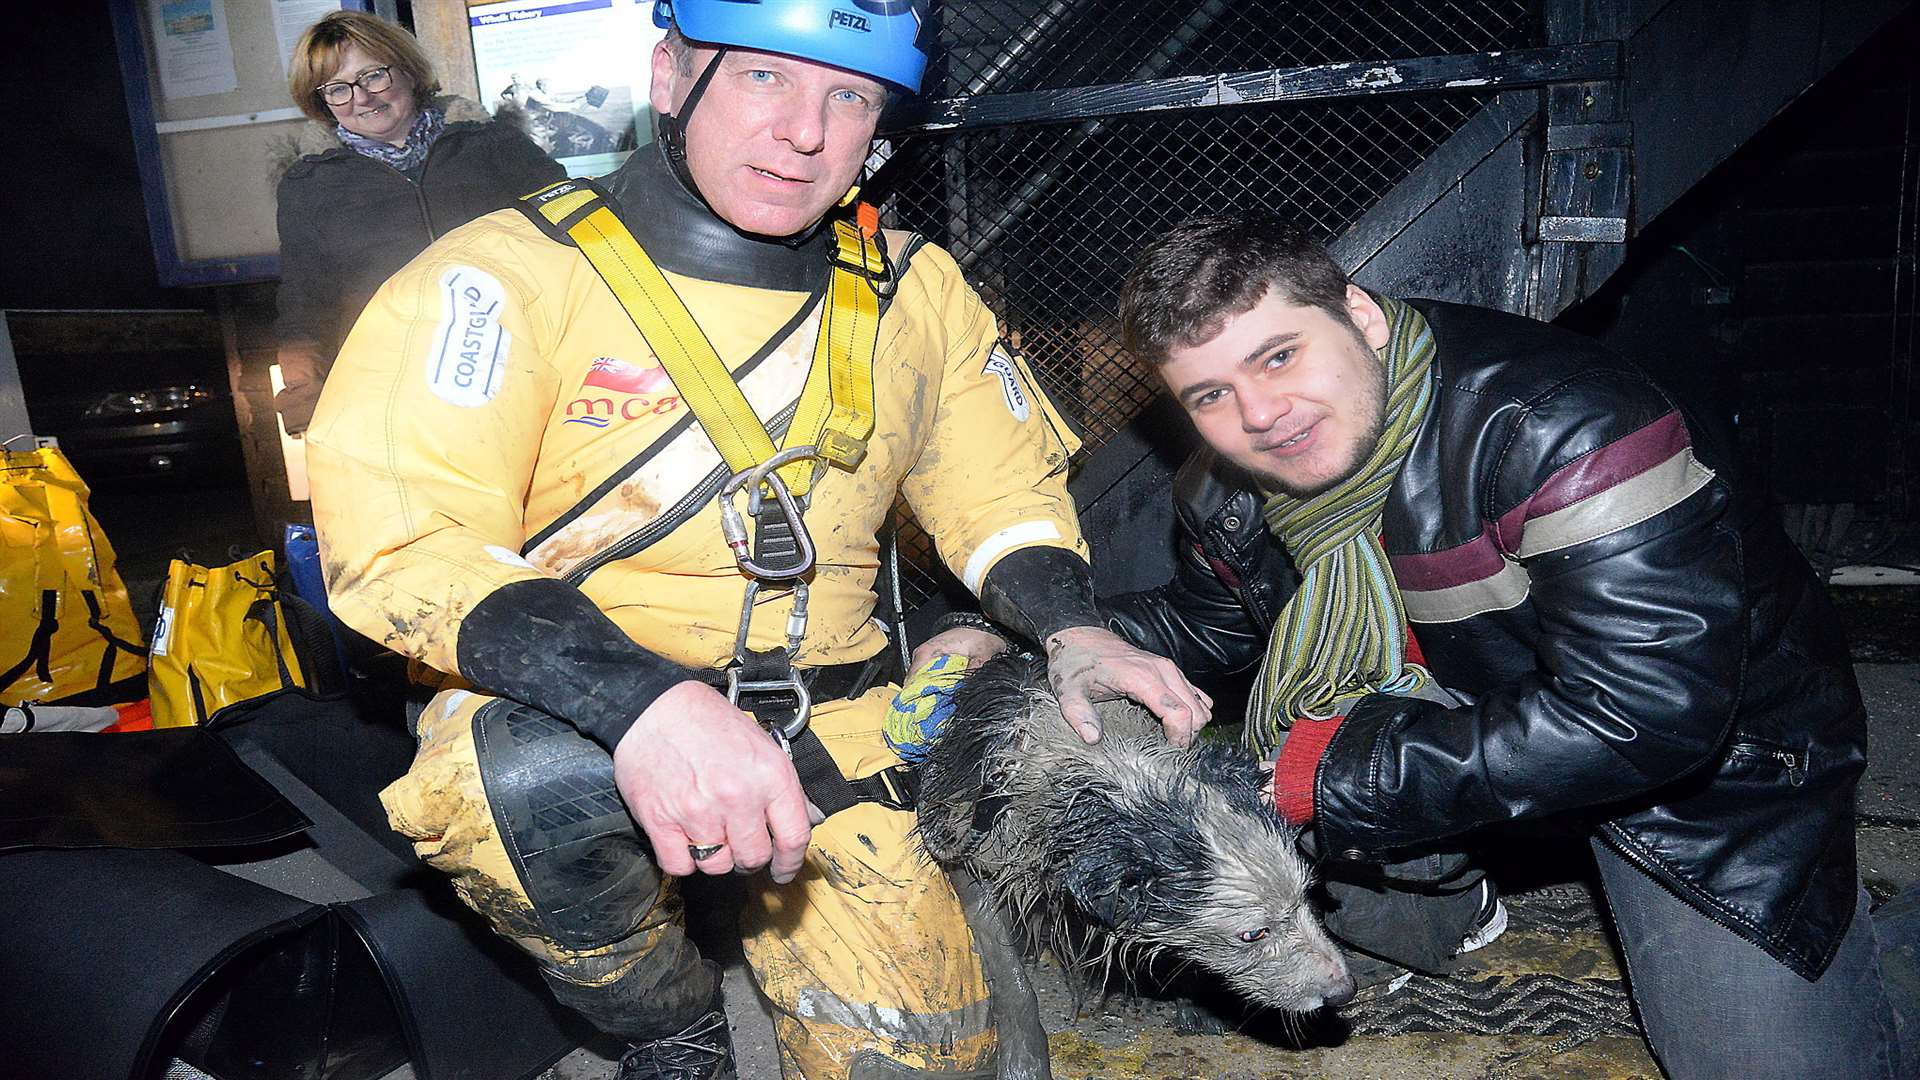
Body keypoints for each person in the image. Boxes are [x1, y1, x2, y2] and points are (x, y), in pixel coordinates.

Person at [303, 2, 1207, 1078]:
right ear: (670, 76)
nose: (807, 133)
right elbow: (406, 540)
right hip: (577, 710)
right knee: (513, 786)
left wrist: (1074, 630)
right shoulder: (504, 275)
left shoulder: (915, 290)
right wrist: (643, 703)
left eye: (850, 96)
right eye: (765, 79)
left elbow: (1003, 499)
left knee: (922, 1056)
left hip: (835, 716)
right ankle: (665, 1021)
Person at [1101, 211, 1907, 1078]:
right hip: (1478, 719)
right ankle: (1461, 893)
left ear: (1362, 319)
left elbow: (1648, 714)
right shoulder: (1230, 486)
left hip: (1703, 777)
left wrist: (1331, 778)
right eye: (1210, 394)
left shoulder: (1567, 425)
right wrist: (1045, 630)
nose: (1259, 414)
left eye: (1279, 355)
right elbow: (1207, 625)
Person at [273, 11, 564, 435]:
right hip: (397, 397)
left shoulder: (494, 146)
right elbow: (304, 302)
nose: (362, 98)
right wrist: (305, 385)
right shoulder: (309, 187)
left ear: (407, 70)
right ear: (323, 103)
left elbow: (569, 235)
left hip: (527, 372)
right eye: (338, 89)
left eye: (373, 76)